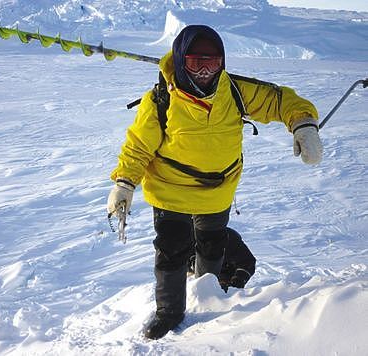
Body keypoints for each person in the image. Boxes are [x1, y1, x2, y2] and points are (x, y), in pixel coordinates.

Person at [106, 24, 322, 340]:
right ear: (181, 62)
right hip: (170, 190)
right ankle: (169, 312)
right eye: (196, 63)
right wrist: (124, 182)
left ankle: (207, 294)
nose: (206, 71)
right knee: (171, 250)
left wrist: (303, 122)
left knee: (211, 244)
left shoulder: (233, 90)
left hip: (218, 189)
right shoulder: (160, 101)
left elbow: (279, 100)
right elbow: (138, 146)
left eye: (213, 62)